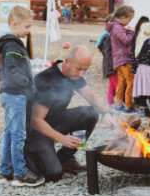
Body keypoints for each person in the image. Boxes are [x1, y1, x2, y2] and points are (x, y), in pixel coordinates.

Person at [24, 46, 117, 181]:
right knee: (53, 174)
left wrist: (106, 113)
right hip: (36, 132)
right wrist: (62, 138)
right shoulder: (47, 79)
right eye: (79, 69)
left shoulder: (74, 74)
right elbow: (36, 121)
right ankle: (26, 155)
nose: (82, 74)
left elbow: (91, 97)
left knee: (91, 114)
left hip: (56, 121)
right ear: (67, 61)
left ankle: (66, 158)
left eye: (85, 70)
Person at [0, 5, 45, 186]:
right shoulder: (12, 46)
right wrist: (26, 82)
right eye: (27, 27)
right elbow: (10, 71)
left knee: (10, 134)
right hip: (15, 96)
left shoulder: (13, 44)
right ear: (15, 24)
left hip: (11, 95)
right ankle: (20, 174)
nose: (28, 31)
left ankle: (5, 172)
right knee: (18, 136)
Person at [106, 5, 136, 113]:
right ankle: (128, 105)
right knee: (130, 82)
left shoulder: (115, 27)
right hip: (124, 60)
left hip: (119, 60)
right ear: (123, 17)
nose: (129, 22)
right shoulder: (117, 27)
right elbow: (126, 40)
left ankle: (118, 105)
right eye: (129, 19)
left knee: (122, 82)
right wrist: (131, 32)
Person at [97, 15, 117, 108]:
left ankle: (110, 102)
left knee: (112, 85)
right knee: (117, 84)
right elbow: (107, 53)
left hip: (110, 64)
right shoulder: (107, 37)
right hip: (111, 65)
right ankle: (122, 101)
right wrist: (112, 64)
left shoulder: (107, 36)